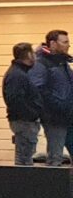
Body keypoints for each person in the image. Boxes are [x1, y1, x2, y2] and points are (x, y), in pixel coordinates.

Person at [30, 31, 73, 166]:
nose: (68, 45)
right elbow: (38, 89)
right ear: (53, 44)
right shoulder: (41, 63)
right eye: (65, 42)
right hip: (54, 116)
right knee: (56, 156)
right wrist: (58, 104)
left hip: (67, 115)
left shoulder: (62, 63)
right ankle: (53, 178)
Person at [5, 41, 42, 166]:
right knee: (24, 159)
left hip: (24, 120)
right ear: (29, 55)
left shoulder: (19, 73)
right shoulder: (17, 75)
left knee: (25, 155)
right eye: (33, 53)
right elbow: (14, 99)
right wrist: (32, 114)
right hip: (24, 121)